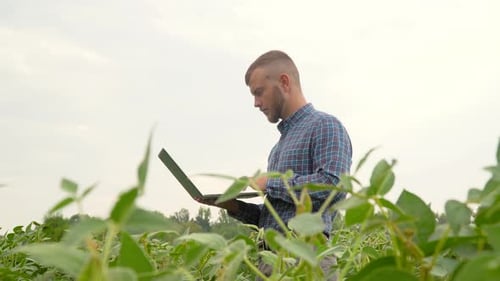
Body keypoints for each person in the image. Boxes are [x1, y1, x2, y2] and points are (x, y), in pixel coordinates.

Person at [197, 50, 352, 280]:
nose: (256, 103)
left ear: (284, 82)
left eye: (259, 93)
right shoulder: (278, 148)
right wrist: (234, 206)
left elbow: (333, 188)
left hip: (306, 258)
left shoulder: (325, 125)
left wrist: (271, 182)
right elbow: (275, 216)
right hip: (270, 261)